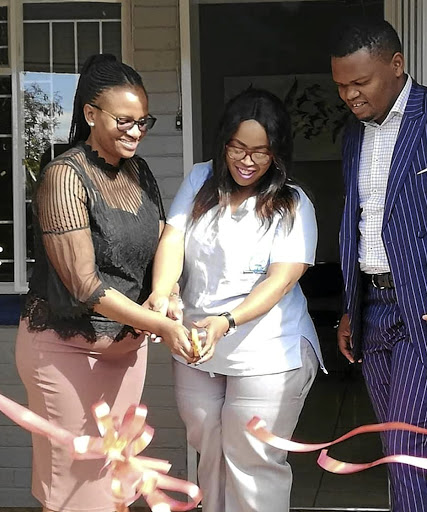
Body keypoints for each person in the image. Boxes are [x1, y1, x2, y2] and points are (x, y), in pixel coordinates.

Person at [16, 54, 189, 512]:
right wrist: (166, 328)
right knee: (81, 489)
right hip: (65, 351)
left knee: (118, 483)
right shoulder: (63, 177)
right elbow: (84, 286)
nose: (136, 132)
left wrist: (166, 295)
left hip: (125, 353)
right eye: (124, 121)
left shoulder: (141, 173)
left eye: (143, 122)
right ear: (91, 114)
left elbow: (161, 249)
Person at [331, 17, 427, 512]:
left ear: (396, 65)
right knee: (400, 455)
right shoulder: (352, 136)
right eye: (341, 87)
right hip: (374, 312)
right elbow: (362, 224)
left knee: (409, 456)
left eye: (360, 83)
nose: (351, 97)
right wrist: (352, 306)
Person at [148, 88, 325, 512]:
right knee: (211, 456)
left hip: (267, 351)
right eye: (238, 148)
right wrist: (162, 292)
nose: (247, 161)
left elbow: (281, 279)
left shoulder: (294, 204)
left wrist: (225, 320)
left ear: (278, 153)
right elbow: (172, 238)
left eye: (261, 152)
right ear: (224, 142)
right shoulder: (200, 179)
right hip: (196, 346)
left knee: (252, 464)